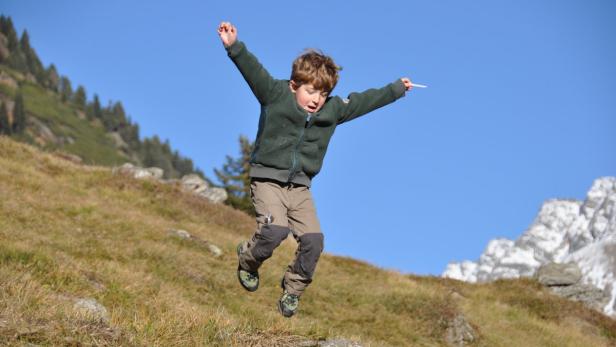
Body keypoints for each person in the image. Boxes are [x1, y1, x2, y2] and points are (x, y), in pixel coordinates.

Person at [217, 21, 413, 318]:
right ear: (295, 85)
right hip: (268, 180)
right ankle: (248, 260)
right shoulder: (275, 95)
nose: (316, 99)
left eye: (322, 94)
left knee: (314, 241)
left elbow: (364, 102)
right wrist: (234, 46)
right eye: (311, 91)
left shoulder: (331, 111)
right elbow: (252, 71)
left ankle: (293, 290)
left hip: (300, 188)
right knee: (275, 230)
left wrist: (396, 89)